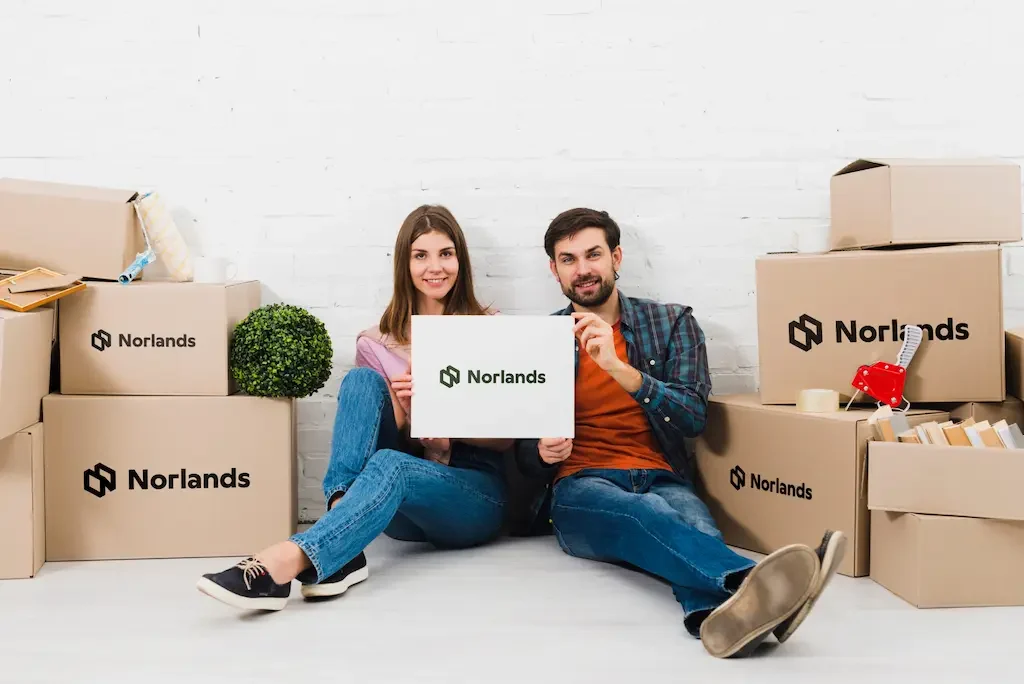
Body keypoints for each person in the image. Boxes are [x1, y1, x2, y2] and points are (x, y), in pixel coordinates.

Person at [514, 208, 847, 658]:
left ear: (616, 257)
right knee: (643, 513)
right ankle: (760, 582)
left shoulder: (671, 323)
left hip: (662, 474)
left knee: (690, 527)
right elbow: (515, 454)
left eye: (593, 254)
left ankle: (719, 624)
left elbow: (692, 417)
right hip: (580, 486)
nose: (583, 269)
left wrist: (619, 369)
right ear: (554, 270)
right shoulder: (536, 341)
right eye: (568, 259)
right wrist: (541, 453)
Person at [197, 205, 512, 611]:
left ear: (460, 260)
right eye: (421, 255)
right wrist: (412, 410)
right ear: (405, 263)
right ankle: (340, 522)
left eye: (445, 253)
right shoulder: (376, 342)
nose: (435, 267)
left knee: (390, 464)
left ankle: (283, 562)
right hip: (396, 505)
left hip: (472, 497)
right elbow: (391, 436)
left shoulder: (492, 329)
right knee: (361, 384)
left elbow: (505, 441)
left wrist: (448, 430)